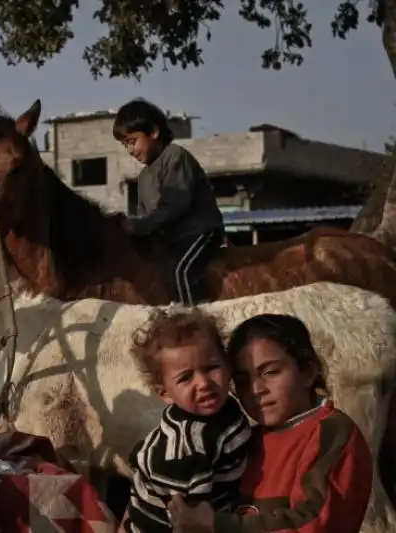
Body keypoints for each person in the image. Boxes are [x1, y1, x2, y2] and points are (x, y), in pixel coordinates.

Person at [167, 314, 374, 533]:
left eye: (271, 372)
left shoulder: (331, 434)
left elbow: (315, 524)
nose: (257, 390)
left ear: (308, 371)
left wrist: (218, 525)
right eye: (242, 380)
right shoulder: (246, 439)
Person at [124, 309, 252, 533]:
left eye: (211, 368)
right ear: (163, 393)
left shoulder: (225, 409)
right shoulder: (187, 448)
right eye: (185, 378)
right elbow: (186, 518)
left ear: (227, 366)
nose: (203, 383)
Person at [113, 98, 224, 306]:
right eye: (124, 144)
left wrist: (137, 225)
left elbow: (175, 206)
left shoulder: (175, 156)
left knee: (179, 271)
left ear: (153, 132)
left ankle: (191, 321)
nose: (129, 150)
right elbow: (148, 217)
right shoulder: (144, 176)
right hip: (172, 241)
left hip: (198, 233)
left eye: (132, 141)